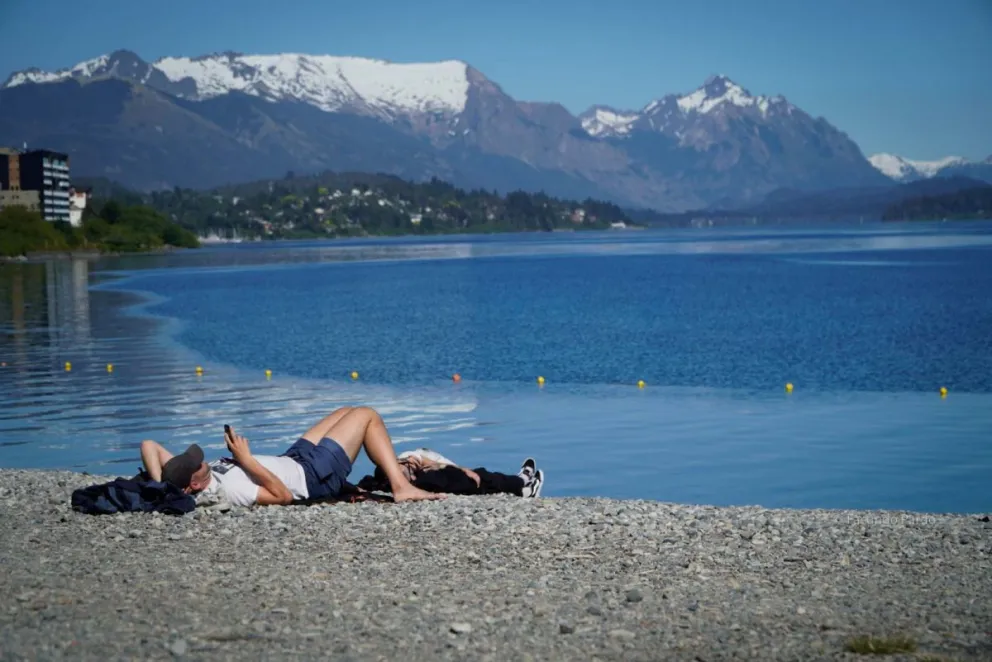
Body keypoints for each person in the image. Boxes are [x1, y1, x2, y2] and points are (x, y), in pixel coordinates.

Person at [139, 406, 444, 507]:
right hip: (312, 477)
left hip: (294, 459)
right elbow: (283, 496)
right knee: (366, 415)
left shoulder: (184, 479)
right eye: (197, 465)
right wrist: (246, 460)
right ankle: (402, 488)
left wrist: (163, 487)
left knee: (346, 411)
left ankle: (398, 482)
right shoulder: (232, 490)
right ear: (194, 484)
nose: (202, 461)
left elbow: (148, 445)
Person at [358, 448, 545, 497]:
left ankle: (522, 483)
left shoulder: (415, 464)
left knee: (477, 477)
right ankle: (522, 485)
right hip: (440, 479)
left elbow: (419, 460)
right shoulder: (424, 474)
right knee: (480, 478)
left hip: (424, 477)